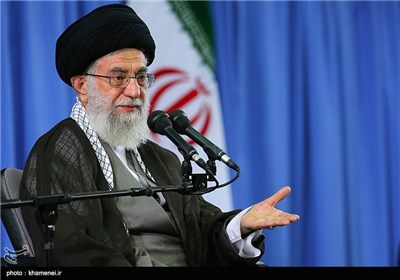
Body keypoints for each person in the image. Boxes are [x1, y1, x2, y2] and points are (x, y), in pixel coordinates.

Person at [19, 3, 300, 267]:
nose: (134, 91)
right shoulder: (62, 148)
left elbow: (202, 230)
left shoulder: (158, 157)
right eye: (118, 78)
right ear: (81, 85)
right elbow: (71, 248)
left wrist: (241, 224)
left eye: (141, 77)